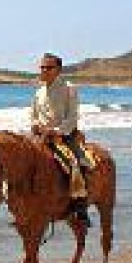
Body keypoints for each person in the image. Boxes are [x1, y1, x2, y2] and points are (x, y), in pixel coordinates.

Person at [29, 52, 91, 226]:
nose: (44, 70)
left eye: (48, 67)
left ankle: (80, 208)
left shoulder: (69, 88)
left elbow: (72, 117)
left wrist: (56, 131)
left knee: (76, 163)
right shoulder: (38, 92)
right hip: (40, 138)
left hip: (64, 137)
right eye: (42, 67)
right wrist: (35, 125)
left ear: (58, 70)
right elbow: (33, 115)